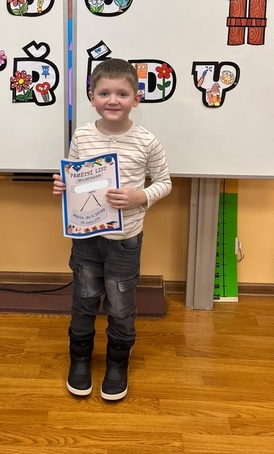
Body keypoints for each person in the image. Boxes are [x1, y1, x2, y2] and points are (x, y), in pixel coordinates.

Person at [53, 58, 172, 401]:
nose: (113, 100)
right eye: (104, 93)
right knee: (84, 299)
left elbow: (165, 182)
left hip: (125, 240)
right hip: (86, 238)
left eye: (122, 93)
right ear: (92, 97)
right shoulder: (82, 135)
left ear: (136, 99)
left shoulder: (147, 141)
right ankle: (80, 358)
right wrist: (64, 186)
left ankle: (117, 362)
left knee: (120, 304)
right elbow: (76, 178)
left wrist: (140, 196)